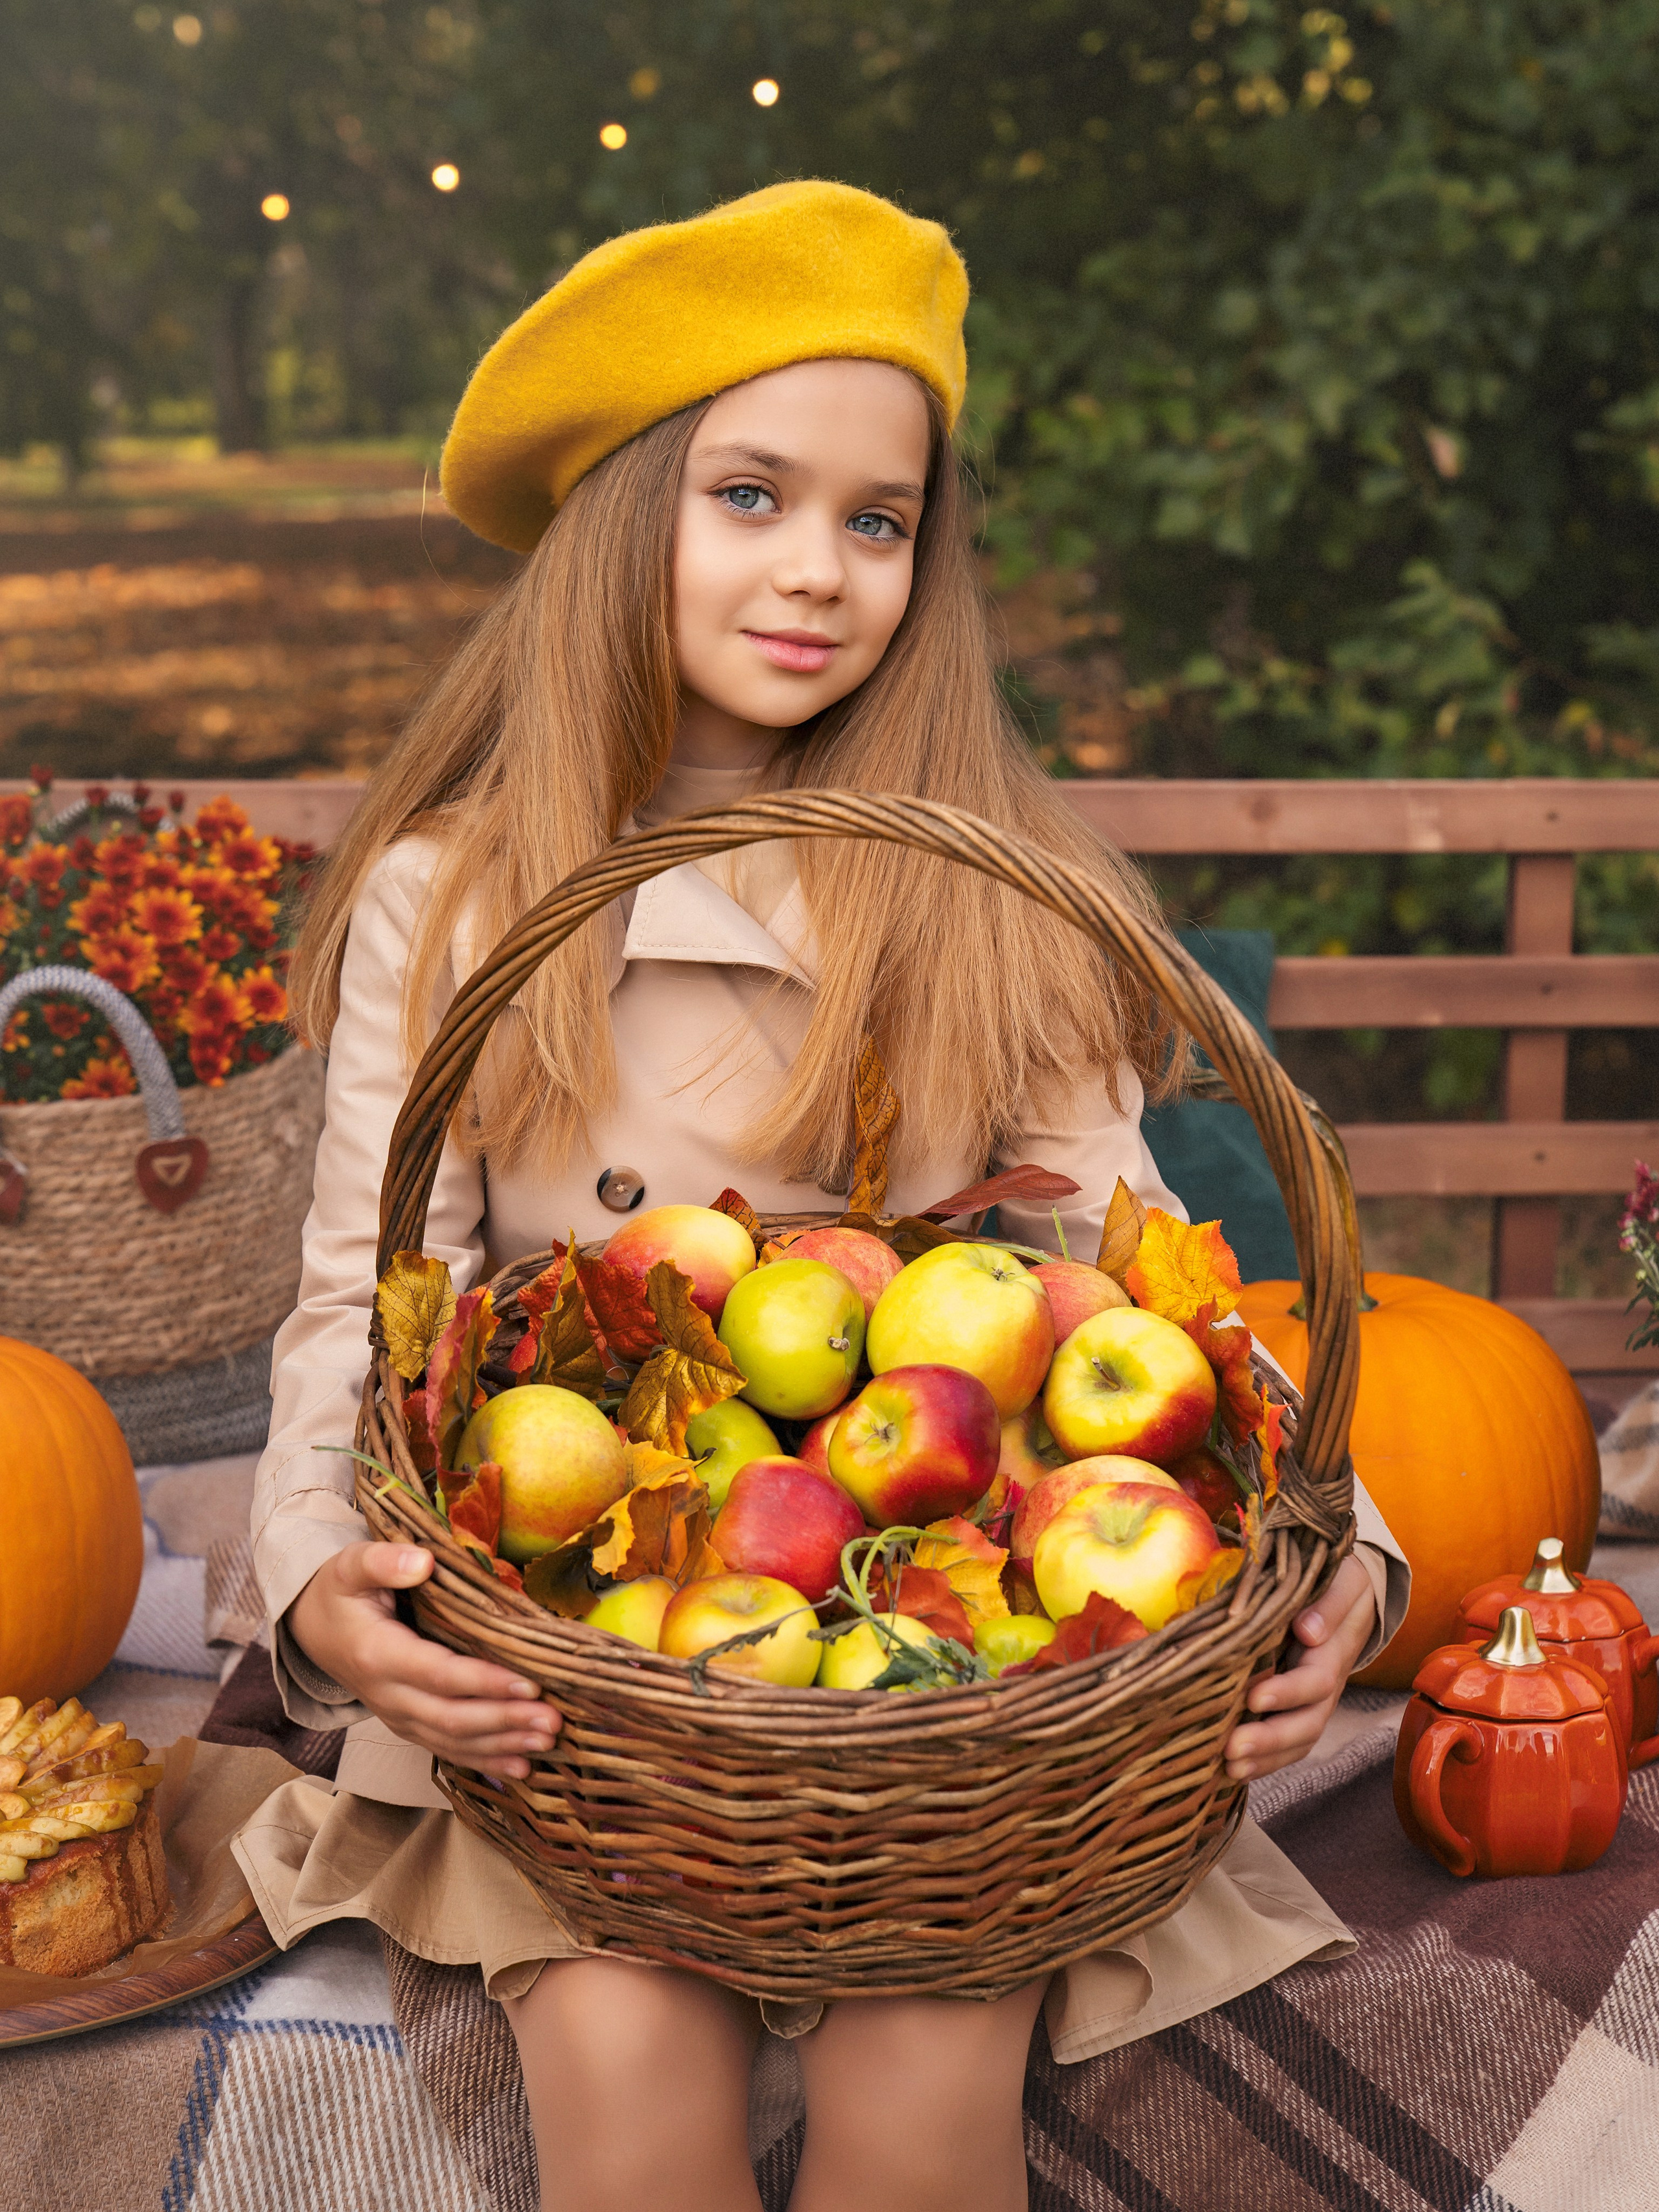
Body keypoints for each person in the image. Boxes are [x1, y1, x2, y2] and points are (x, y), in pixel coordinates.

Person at [235, 181, 1408, 2212]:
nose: (821, 572)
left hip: (939, 1702)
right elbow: (364, 1313)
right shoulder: (461, 897)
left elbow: (1163, 1304)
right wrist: (322, 1589)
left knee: (925, 2080)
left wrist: (1347, 1560)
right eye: (751, 497)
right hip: (585, 1685)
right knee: (625, 2064)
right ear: (620, 517)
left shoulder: (978, 891)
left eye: (878, 522)